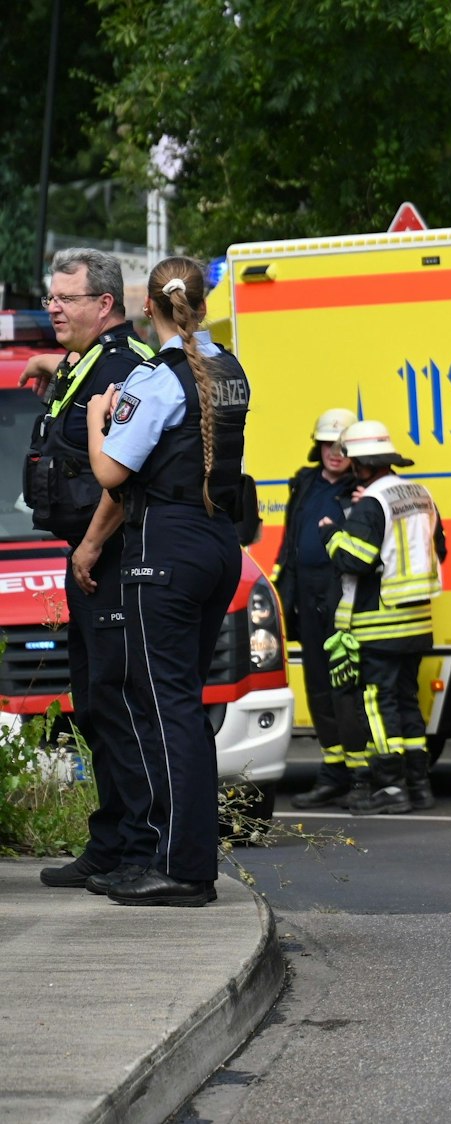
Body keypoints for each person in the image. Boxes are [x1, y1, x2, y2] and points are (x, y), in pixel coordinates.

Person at [82, 256, 253, 907]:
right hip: (218, 541)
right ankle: (179, 855)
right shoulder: (230, 367)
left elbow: (111, 472)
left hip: (168, 546)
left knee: (164, 705)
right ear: (201, 304)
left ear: (148, 307)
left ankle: (181, 868)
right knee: (182, 703)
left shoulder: (156, 378)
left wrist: (98, 418)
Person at [32, 249, 159, 893]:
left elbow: (124, 475)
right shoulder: (86, 362)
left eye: (66, 298)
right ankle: (108, 843)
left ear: (105, 304)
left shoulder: (125, 369)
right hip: (84, 558)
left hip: (109, 559)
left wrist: (88, 548)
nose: (53, 308)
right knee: (93, 704)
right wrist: (46, 365)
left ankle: (140, 850)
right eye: (50, 297)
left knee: (119, 702)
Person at [324, 420, 445, 815]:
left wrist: (332, 535)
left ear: (362, 463)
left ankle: (390, 786)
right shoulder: (421, 494)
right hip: (417, 623)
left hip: (379, 624)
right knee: (408, 701)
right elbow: (440, 550)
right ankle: (419, 785)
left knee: (377, 705)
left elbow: (353, 560)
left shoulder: (371, 502)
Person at [278, 408, 364, 809]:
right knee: (317, 684)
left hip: (342, 596)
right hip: (306, 595)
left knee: (347, 687)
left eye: (342, 446)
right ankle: (333, 771)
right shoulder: (305, 483)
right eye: (328, 444)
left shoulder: (361, 488)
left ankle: (360, 775)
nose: (334, 452)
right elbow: (289, 542)